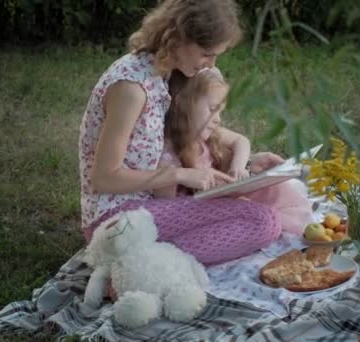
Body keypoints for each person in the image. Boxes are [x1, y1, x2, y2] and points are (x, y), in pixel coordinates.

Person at [79, 0, 286, 265]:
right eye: (206, 53)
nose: (211, 63)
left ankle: (143, 261)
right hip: (117, 219)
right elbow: (104, 179)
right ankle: (136, 264)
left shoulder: (165, 74)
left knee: (259, 214)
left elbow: (182, 137)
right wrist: (180, 174)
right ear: (177, 38)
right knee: (262, 221)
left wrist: (244, 161)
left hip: (155, 205)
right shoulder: (131, 87)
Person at [155, 68, 315, 235]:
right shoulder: (168, 156)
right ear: (183, 104)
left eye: (220, 111)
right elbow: (168, 210)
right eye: (212, 109)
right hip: (203, 213)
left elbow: (241, 140)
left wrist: (239, 166)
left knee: (274, 186)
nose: (218, 119)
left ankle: (296, 222)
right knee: (253, 213)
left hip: (226, 197)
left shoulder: (207, 135)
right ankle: (273, 223)